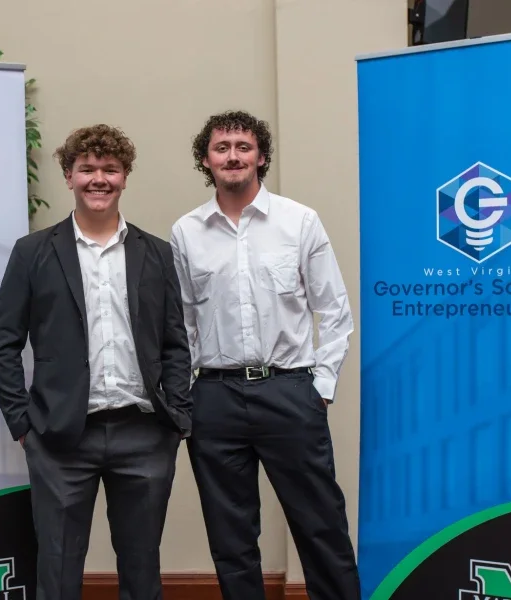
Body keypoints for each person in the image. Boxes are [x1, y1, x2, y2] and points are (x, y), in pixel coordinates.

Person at [0, 124, 192, 600]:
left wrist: (177, 416)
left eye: (110, 169)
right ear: (68, 175)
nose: (98, 179)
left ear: (125, 177)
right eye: (87, 169)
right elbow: (3, 342)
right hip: (60, 439)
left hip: (144, 435)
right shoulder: (33, 252)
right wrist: (23, 424)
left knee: (142, 573)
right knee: (57, 573)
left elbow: (175, 343)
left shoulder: (157, 254)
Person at [170, 110, 360, 600]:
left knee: (320, 525)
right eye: (221, 148)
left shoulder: (300, 221)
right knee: (230, 537)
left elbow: (334, 311)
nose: (232, 156)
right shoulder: (186, 232)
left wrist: (319, 388)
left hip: (289, 391)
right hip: (214, 396)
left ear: (260, 157)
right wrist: (187, 394)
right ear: (206, 160)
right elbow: (184, 322)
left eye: (243, 146)